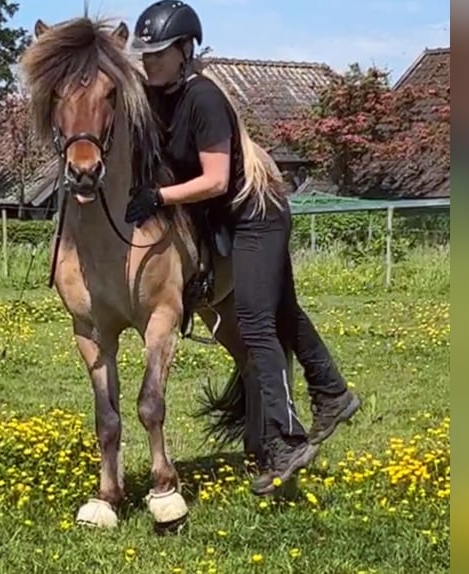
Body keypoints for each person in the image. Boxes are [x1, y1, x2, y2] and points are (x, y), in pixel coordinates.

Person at [125, 0, 360, 495]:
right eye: (144, 55)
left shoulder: (204, 98)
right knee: (285, 311)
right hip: (220, 219)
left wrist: (157, 197)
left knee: (255, 320)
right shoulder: (155, 96)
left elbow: (213, 180)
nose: (150, 63)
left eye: (159, 54)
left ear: (186, 50)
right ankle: (333, 393)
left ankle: (285, 440)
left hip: (255, 214)